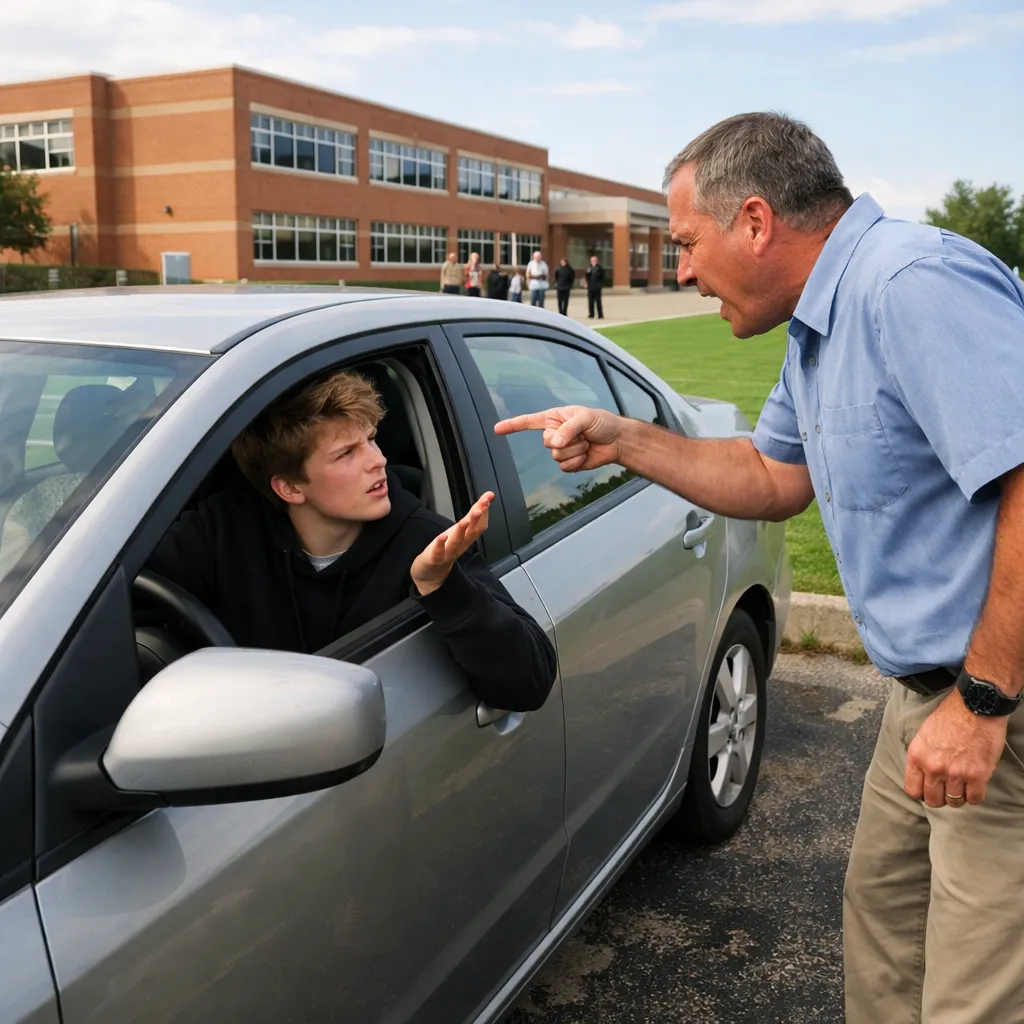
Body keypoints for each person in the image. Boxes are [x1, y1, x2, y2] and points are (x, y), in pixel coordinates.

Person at [494, 112, 1024, 1023]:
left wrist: (981, 703)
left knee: (975, 995)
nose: (683, 272)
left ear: (754, 221)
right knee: (885, 942)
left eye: (687, 244)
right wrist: (624, 439)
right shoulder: (820, 326)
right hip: (923, 698)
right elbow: (771, 475)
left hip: (995, 701)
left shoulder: (910, 284)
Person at [147, 369, 557, 713]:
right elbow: (123, 596)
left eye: (372, 439)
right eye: (346, 453)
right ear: (290, 487)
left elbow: (531, 683)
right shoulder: (222, 527)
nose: (378, 460)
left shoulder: (428, 542)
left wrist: (440, 585)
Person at [585, 254, 605, 319]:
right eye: (592, 260)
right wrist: (587, 283)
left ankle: (600, 315)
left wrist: (600, 284)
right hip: (590, 287)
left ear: (597, 261)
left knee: (598, 301)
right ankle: (591, 314)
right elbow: (587, 276)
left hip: (597, 287)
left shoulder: (600, 268)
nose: (593, 261)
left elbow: (602, 277)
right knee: (590, 301)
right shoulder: (589, 268)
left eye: (594, 260)